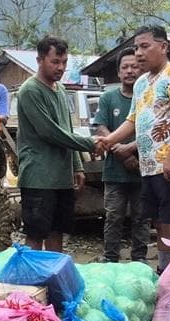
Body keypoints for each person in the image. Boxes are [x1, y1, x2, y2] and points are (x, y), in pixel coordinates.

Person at [97, 26, 170, 273]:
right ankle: (167, 273)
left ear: (163, 47)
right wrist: (109, 140)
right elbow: (132, 120)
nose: (139, 53)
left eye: (145, 46)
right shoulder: (142, 82)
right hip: (149, 168)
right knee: (161, 222)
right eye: (136, 48)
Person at [15, 36, 105, 252]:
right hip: (38, 178)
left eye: (64, 62)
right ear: (39, 60)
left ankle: (53, 280)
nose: (61, 67)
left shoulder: (61, 90)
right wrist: (90, 144)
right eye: (55, 61)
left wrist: (77, 166)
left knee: (58, 232)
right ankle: (33, 283)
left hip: (61, 178)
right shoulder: (30, 91)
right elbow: (50, 132)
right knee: (36, 234)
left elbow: (67, 129)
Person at [93, 48, 150, 263]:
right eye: (124, 67)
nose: (129, 71)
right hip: (115, 172)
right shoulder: (108, 98)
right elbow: (100, 128)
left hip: (143, 169)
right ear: (118, 73)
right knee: (113, 217)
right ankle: (110, 260)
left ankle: (140, 261)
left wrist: (133, 150)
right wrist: (123, 154)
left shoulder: (147, 96)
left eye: (134, 66)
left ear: (141, 68)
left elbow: (151, 129)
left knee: (142, 217)